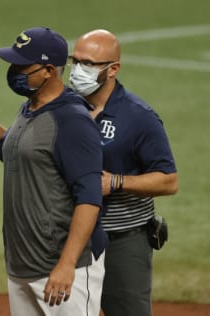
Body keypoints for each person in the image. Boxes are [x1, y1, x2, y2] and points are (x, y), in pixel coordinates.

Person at [0, 26, 105, 316]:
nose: (14, 70)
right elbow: (7, 149)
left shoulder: (72, 121)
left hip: (58, 267)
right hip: (24, 264)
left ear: (49, 70)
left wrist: (67, 264)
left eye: (23, 65)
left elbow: (90, 196)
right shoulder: (31, 108)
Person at [68, 29, 178, 316]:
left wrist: (115, 182)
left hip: (123, 240)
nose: (78, 69)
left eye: (89, 63)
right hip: (69, 236)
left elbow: (168, 180)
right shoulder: (63, 107)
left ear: (113, 68)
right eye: (75, 60)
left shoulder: (138, 117)